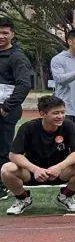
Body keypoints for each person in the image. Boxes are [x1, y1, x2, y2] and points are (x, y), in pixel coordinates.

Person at [3, 96, 75, 215]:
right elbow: (14, 155)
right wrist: (35, 169)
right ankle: (23, 199)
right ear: (42, 114)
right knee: (7, 169)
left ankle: (65, 196)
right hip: (32, 174)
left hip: (59, 172)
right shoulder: (29, 128)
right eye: (55, 113)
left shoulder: (68, 125)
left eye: (62, 112)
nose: (60, 116)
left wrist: (59, 167)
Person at [0, 17, 33, 201]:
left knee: (3, 149)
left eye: (5, 33)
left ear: (12, 34)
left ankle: (2, 187)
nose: (1, 36)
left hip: (5, 111)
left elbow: (24, 84)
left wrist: (6, 107)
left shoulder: (17, 57)